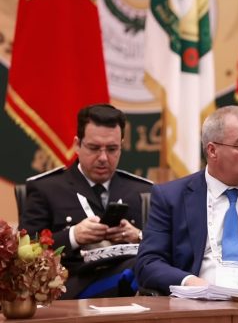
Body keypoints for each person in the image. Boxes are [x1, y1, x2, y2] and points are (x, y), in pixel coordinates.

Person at [135, 106, 238, 294]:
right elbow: (148, 263)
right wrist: (189, 282)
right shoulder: (172, 197)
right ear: (212, 151)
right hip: (199, 304)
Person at [20, 104, 152, 299]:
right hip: (69, 286)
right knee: (138, 270)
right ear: (77, 145)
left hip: (129, 283)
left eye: (112, 149)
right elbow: (24, 251)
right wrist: (73, 236)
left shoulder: (142, 191)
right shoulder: (46, 188)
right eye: (94, 148)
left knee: (147, 269)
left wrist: (138, 236)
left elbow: (165, 246)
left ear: (121, 146)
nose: (103, 158)